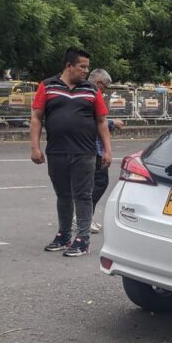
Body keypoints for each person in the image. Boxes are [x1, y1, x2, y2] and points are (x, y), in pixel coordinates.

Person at [30, 47, 112, 257]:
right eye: (82, 67)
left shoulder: (91, 90)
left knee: (83, 196)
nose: (86, 71)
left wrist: (107, 150)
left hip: (84, 152)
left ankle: (83, 240)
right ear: (69, 66)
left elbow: (102, 121)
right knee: (63, 195)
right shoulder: (48, 86)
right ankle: (64, 235)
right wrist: (35, 147)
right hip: (56, 151)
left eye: (87, 67)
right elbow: (37, 117)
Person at [87, 68, 123, 233]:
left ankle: (85, 217)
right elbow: (96, 122)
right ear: (98, 82)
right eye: (105, 87)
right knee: (99, 183)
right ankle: (84, 218)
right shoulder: (91, 95)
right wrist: (112, 124)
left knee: (91, 184)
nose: (105, 91)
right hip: (93, 148)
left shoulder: (84, 93)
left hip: (90, 147)